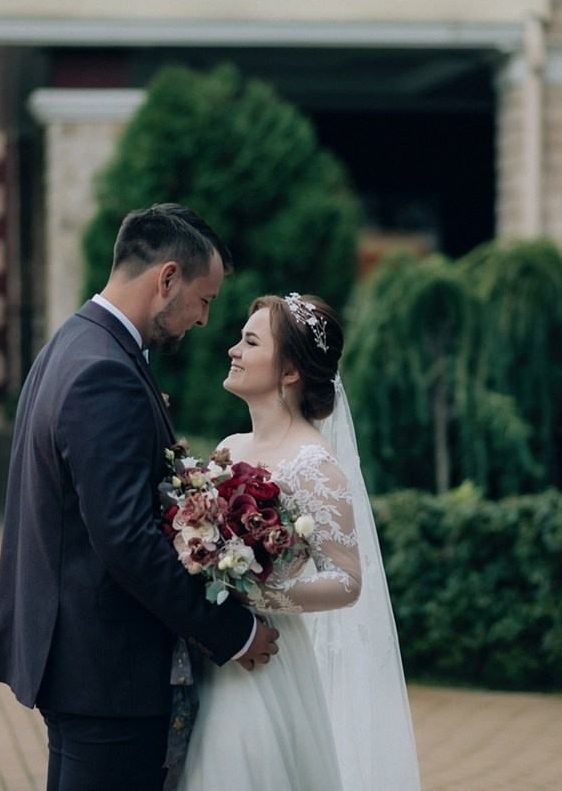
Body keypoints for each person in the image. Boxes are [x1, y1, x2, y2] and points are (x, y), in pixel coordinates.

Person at [0, 203, 280, 791]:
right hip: (107, 669)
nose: (201, 320)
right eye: (205, 299)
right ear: (166, 278)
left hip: (75, 659)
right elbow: (126, 541)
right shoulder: (105, 373)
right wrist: (233, 633)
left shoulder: (70, 346)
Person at [177, 293, 420, 790]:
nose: (232, 350)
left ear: (289, 372)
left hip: (266, 660)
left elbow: (347, 581)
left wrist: (261, 590)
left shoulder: (314, 464)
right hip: (211, 649)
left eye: (249, 341)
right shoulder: (229, 447)